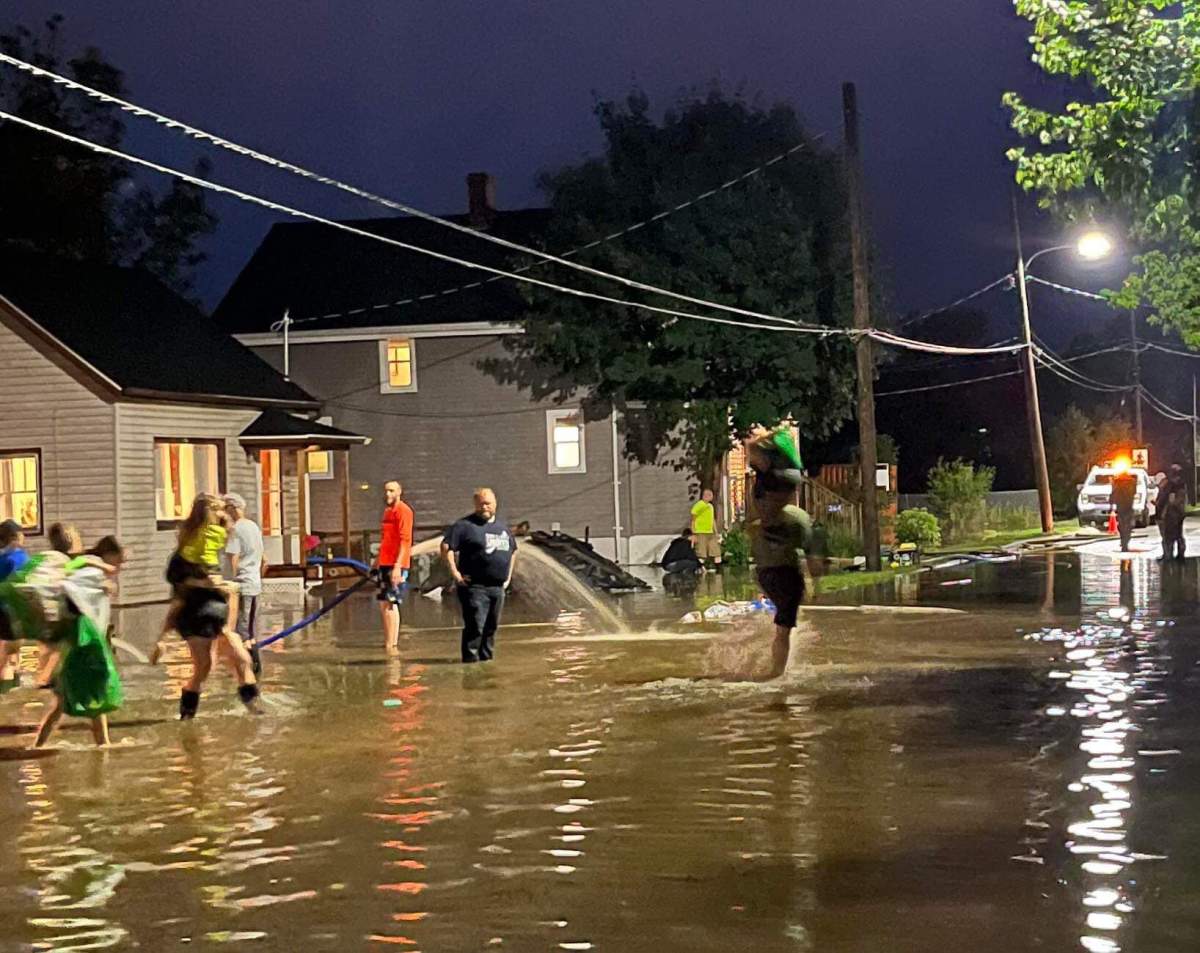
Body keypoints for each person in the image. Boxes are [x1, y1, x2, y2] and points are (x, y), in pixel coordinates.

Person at [154, 494, 259, 719]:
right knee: (204, 666)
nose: (223, 513)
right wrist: (162, 637)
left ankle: (256, 711)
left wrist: (229, 622)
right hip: (195, 614)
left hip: (219, 614)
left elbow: (229, 590)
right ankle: (187, 716)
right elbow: (178, 594)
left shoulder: (221, 542)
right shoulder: (185, 556)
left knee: (243, 659)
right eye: (218, 509)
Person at [33, 536, 126, 748]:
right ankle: (103, 744)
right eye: (119, 561)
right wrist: (102, 578)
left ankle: (38, 746)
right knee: (96, 691)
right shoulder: (91, 571)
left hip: (73, 639)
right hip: (82, 639)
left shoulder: (86, 568)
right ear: (109, 555)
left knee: (66, 699)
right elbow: (73, 589)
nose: (119, 567)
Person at [442, 487, 517, 663]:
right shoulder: (464, 526)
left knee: (491, 628)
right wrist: (455, 573)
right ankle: (470, 663)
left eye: (488, 503)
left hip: (497, 587)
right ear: (475, 504)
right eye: (481, 504)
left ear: (495, 504)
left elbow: (513, 551)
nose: (484, 507)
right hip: (474, 586)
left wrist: (508, 577)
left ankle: (486, 662)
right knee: (476, 626)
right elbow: (446, 547)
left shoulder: (502, 529)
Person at [223, 492, 267, 674]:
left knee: (242, 632)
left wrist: (231, 584)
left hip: (242, 584)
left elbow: (233, 558)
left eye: (225, 509)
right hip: (255, 584)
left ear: (232, 508)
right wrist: (258, 577)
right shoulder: (253, 527)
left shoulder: (236, 529)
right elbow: (264, 559)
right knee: (251, 630)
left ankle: (247, 673)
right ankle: (257, 670)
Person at [375, 481, 414, 653]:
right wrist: (376, 561)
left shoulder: (404, 511)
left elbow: (405, 540)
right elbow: (385, 539)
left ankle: (392, 644)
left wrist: (398, 566)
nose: (388, 494)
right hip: (384, 562)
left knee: (391, 602)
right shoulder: (387, 512)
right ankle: (388, 640)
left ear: (399, 492)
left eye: (391, 491)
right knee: (383, 603)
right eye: (386, 491)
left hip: (396, 563)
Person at [0, 519, 29, 684]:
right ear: (15, 537)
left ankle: (10, 679)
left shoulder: (4, 557)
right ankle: (13, 679)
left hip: (4, 608)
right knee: (13, 647)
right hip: (15, 609)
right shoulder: (19, 558)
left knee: (7, 647)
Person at [1161, 464, 1189, 561]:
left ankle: (1170, 554)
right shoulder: (1180, 484)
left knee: (1170, 534)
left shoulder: (1173, 485)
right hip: (1179, 512)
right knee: (1178, 534)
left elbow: (1172, 500)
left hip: (1173, 513)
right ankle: (1179, 554)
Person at [690, 489, 721, 570]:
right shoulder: (699, 505)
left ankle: (718, 570)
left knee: (716, 551)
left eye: (711, 495)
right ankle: (700, 568)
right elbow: (693, 519)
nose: (711, 497)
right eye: (709, 495)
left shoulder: (711, 506)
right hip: (701, 532)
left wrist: (716, 532)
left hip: (710, 532)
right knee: (701, 553)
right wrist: (693, 532)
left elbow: (712, 519)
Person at [1110, 465, 1137, 552]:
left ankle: (1123, 541)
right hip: (1129, 505)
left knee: (1122, 524)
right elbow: (1134, 492)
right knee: (1128, 524)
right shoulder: (1132, 481)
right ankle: (1126, 540)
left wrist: (1111, 504)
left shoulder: (1117, 481)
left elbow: (1113, 493)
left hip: (1120, 506)